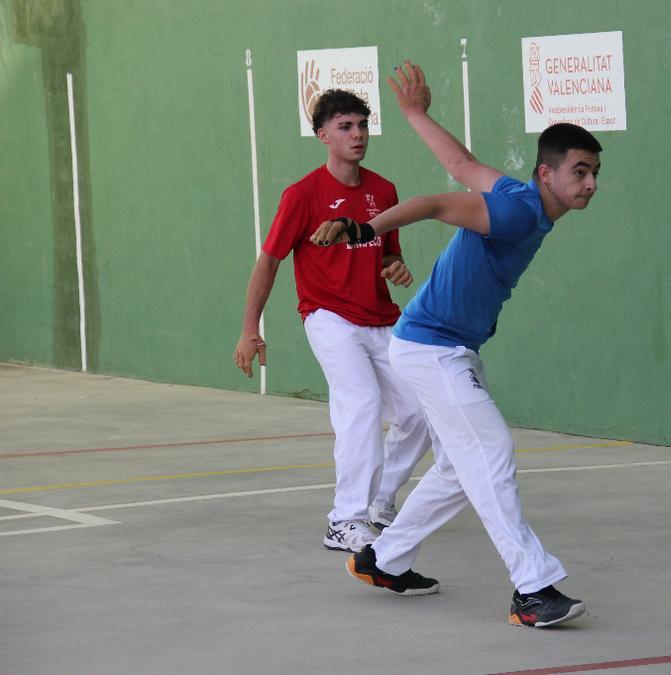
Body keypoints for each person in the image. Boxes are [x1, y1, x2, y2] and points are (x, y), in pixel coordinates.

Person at [317, 61, 601, 627]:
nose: (590, 183)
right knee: (490, 452)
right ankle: (532, 587)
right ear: (548, 174)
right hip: (431, 346)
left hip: (450, 346)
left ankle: (384, 558)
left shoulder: (524, 195)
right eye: (580, 171)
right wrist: (362, 230)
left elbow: (462, 163)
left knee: (457, 466)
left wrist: (417, 115)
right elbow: (433, 202)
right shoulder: (518, 211)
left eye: (595, 172)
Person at [234, 89, 431, 553]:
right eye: (345, 127)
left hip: (383, 319)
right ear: (323, 135)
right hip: (328, 317)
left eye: (362, 125)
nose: (357, 134)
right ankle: (345, 519)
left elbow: (390, 255)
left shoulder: (384, 191)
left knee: (419, 412)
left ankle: (379, 503)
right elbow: (268, 263)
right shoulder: (302, 195)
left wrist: (395, 268)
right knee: (361, 402)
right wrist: (250, 328)